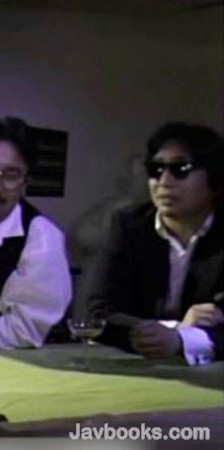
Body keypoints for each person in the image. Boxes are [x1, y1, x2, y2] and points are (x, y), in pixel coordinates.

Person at [86, 122, 224, 365]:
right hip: (139, 366)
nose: (164, 181)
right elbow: (95, 313)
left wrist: (182, 340)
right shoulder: (128, 226)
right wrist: (176, 331)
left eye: (180, 169)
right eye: (156, 169)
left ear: (215, 179)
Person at [0, 116, 72, 349]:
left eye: (11, 176)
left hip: (9, 363)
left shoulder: (42, 239)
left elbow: (23, 331)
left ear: (25, 183)